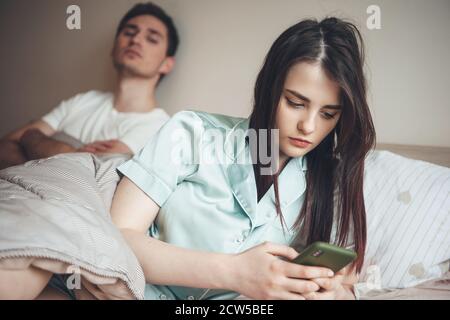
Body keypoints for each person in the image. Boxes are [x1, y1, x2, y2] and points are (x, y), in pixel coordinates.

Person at [110, 17, 375, 300]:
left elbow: (347, 283)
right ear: (268, 88)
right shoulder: (191, 134)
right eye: (295, 103)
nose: (308, 127)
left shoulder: (328, 182)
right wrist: (235, 272)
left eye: (328, 114)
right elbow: (117, 237)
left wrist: (331, 292)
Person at [0, 2, 178, 170]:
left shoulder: (159, 129)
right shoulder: (83, 100)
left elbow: (86, 175)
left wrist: (34, 140)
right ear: (114, 48)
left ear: (167, 64)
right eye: (129, 33)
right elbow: (6, 144)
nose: (136, 40)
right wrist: (71, 153)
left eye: (152, 39)